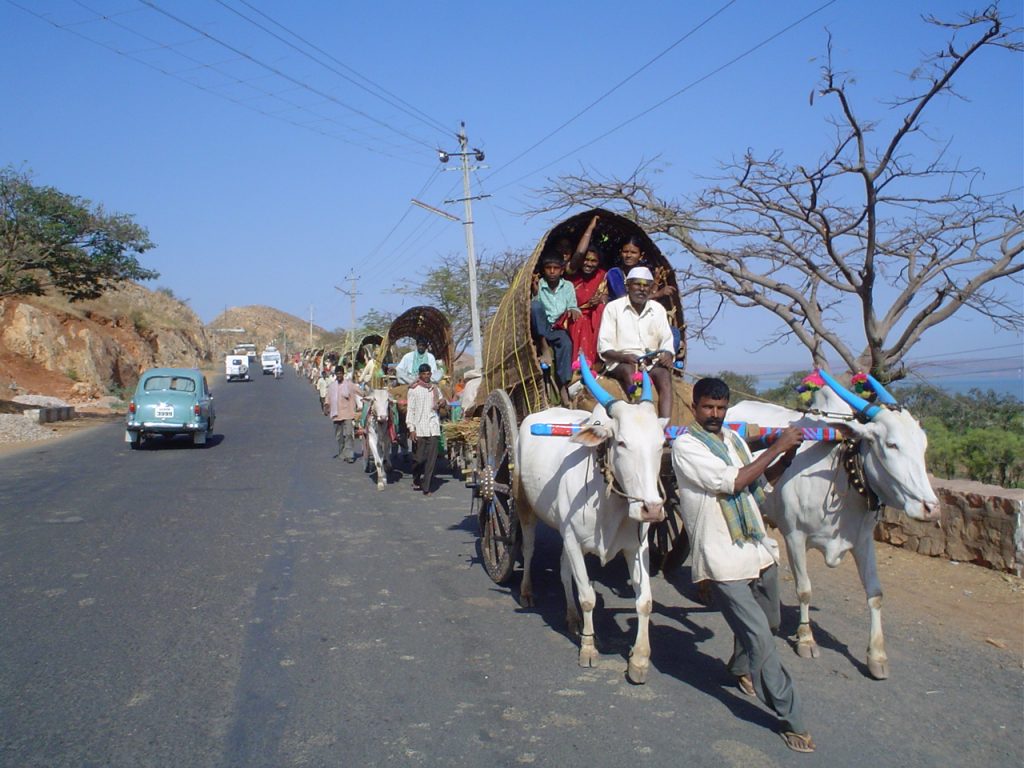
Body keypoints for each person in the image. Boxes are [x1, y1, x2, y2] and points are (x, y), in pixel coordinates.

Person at [671, 377, 815, 754]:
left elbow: (758, 482)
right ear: (695, 407)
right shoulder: (685, 446)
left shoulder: (734, 441)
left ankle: (738, 668)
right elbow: (734, 481)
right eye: (708, 408)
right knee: (760, 638)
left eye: (720, 409)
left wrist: (787, 456)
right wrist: (777, 444)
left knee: (769, 623)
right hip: (723, 558)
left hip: (758, 550)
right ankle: (792, 718)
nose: (714, 415)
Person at [597, 266, 675, 422]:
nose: (642, 289)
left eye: (646, 285)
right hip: (620, 362)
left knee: (664, 376)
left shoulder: (658, 309)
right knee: (630, 372)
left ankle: (664, 425)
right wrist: (624, 357)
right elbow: (604, 348)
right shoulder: (613, 308)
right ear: (628, 286)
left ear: (651, 288)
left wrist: (667, 353)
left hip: (651, 362)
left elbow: (667, 339)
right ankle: (639, 420)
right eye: (637, 284)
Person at [530, 252, 580, 404]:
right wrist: (535, 292)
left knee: (566, 344)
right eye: (548, 268)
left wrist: (573, 310)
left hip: (559, 326)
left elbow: (573, 305)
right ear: (543, 270)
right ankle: (544, 345)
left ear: (562, 270)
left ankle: (564, 385)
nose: (552, 271)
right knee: (536, 306)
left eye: (555, 268)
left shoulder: (567, 286)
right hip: (542, 326)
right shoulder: (541, 286)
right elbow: (534, 310)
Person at [406, 363, 445, 495]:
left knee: (431, 459)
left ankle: (426, 487)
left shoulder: (434, 389)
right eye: (424, 374)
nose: (426, 376)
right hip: (419, 428)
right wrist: (411, 428)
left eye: (428, 374)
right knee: (419, 459)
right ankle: (416, 478)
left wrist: (441, 402)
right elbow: (410, 410)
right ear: (420, 375)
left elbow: (441, 399)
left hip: (433, 427)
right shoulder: (413, 390)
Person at [568, 246, 607, 368]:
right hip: (574, 316)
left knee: (600, 309)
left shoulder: (602, 276)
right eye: (586, 259)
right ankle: (579, 365)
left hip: (594, 315)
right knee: (581, 321)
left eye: (593, 261)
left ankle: (594, 364)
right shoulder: (571, 278)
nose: (589, 264)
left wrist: (600, 299)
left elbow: (606, 296)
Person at [327, 364, 359, 462]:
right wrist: (326, 406)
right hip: (336, 415)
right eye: (337, 374)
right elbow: (328, 399)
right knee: (339, 436)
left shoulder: (349, 385)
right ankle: (342, 451)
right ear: (336, 374)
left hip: (348, 413)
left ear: (343, 374)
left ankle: (349, 455)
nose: (339, 375)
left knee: (349, 434)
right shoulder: (332, 386)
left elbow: (359, 391)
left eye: (341, 373)